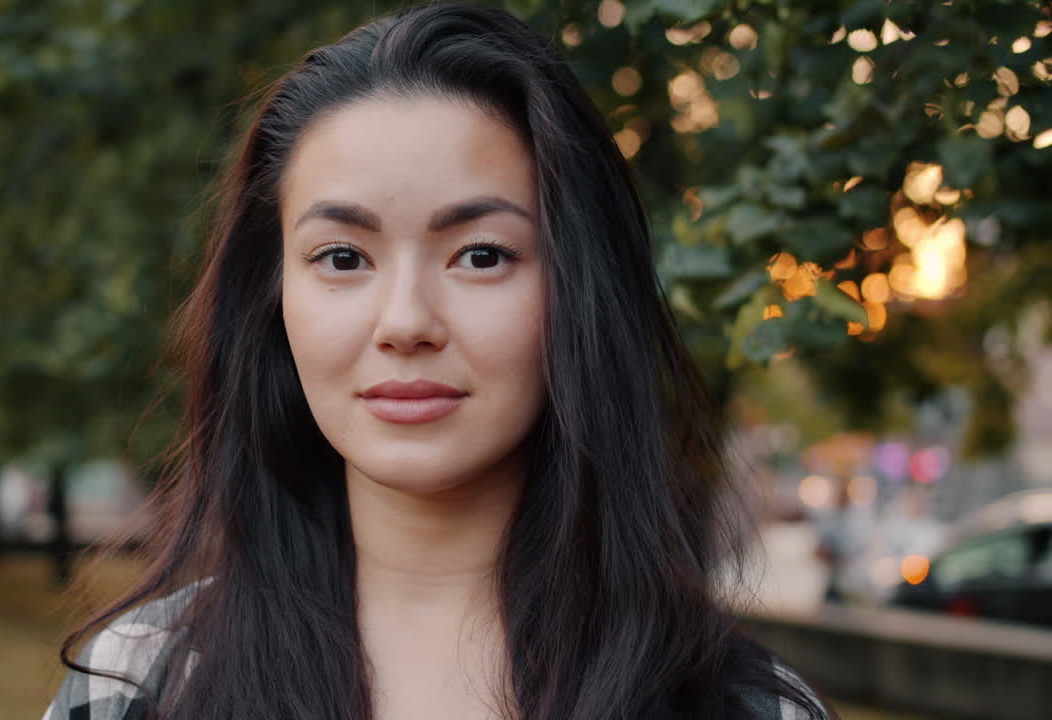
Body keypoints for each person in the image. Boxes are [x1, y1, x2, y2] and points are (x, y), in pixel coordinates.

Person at [43, 3, 832, 719]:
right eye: (343, 256)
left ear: (579, 294)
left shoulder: (745, 711)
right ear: (271, 301)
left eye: (481, 255)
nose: (406, 322)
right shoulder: (138, 689)